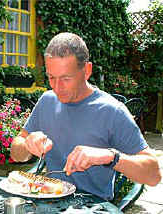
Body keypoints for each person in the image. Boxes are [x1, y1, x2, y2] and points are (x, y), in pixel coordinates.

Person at [10, 32, 161, 200]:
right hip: (48, 203)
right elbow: (16, 153)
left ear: (87, 70)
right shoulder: (47, 101)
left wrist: (110, 157)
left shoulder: (112, 111)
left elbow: (153, 175)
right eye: (51, 77)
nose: (57, 87)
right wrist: (27, 145)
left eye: (66, 78)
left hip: (93, 207)